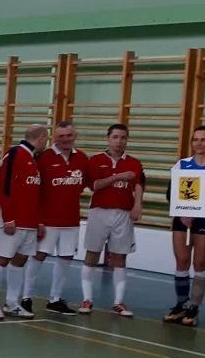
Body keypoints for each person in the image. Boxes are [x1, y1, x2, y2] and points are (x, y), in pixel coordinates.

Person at [81, 123, 144, 316]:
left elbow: (139, 184)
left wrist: (137, 205)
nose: (119, 141)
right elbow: (95, 185)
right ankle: (87, 299)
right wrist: (118, 176)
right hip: (99, 212)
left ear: (127, 140)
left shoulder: (134, 163)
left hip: (123, 213)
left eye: (123, 137)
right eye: (115, 137)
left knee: (120, 257)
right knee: (92, 254)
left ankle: (118, 302)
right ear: (108, 138)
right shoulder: (96, 160)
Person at [164, 126, 205, 327]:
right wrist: (183, 213)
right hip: (182, 219)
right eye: (195, 139)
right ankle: (181, 304)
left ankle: (194, 307)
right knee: (182, 261)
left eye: (204, 139)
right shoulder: (182, 164)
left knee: (199, 263)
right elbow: (171, 193)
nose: (199, 143)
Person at [0, 124, 48, 320]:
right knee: (2, 259)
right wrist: (9, 218)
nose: (46, 143)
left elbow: (35, 194)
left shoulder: (34, 159)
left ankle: (12, 302)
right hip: (12, 221)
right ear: (41, 138)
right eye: (46, 139)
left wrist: (38, 221)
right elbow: (4, 187)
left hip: (29, 222)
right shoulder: (15, 154)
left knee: (20, 261)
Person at [31, 121, 89, 315]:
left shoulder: (81, 158)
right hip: (47, 220)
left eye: (69, 135)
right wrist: (38, 220)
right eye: (61, 136)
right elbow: (35, 190)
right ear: (54, 138)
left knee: (66, 257)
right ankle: (25, 297)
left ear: (75, 136)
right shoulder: (44, 158)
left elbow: (86, 184)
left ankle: (55, 299)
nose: (65, 139)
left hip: (71, 220)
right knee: (38, 256)